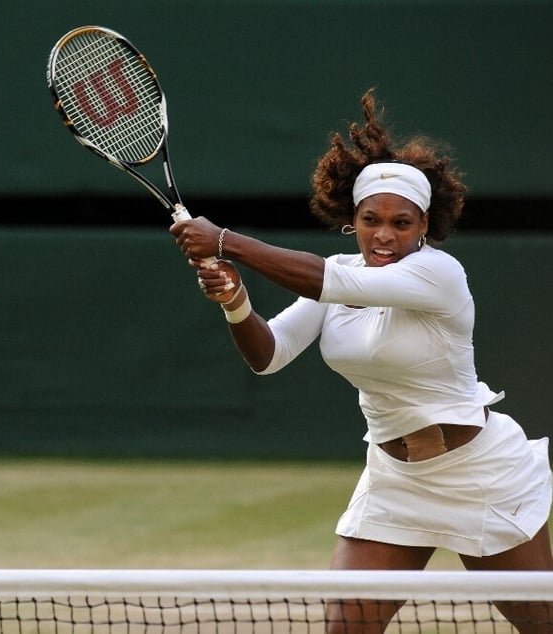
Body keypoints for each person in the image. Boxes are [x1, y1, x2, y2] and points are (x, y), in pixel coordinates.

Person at [170, 89, 553, 633]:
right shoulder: (339, 271)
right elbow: (269, 355)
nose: (386, 235)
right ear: (353, 219)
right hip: (394, 479)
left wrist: (225, 240)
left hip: (480, 476)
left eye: (403, 223)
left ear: (425, 227)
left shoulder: (438, 275)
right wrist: (236, 302)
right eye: (373, 220)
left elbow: (327, 280)